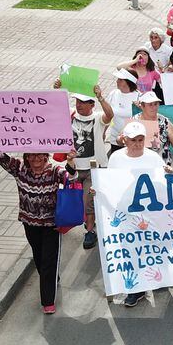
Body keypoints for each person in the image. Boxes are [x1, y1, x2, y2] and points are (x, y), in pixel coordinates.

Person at [0, 131, 73, 314]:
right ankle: (52, 278)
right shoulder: (19, 168)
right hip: (29, 223)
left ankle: (48, 301)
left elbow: (73, 180)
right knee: (39, 257)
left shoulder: (55, 171)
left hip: (51, 225)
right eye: (32, 155)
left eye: (40, 155)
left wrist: (71, 162)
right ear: (26, 156)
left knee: (48, 261)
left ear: (46, 156)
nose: (36, 158)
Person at [107, 121, 172, 307]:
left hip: (151, 214)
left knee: (154, 246)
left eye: (140, 139)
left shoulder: (153, 158)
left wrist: (170, 175)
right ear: (125, 140)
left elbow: (163, 184)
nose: (137, 143)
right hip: (126, 214)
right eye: (133, 140)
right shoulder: (116, 158)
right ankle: (136, 289)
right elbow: (110, 183)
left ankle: (159, 275)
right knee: (131, 250)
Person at [50, 83, 113, 249]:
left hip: (94, 168)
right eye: (77, 101)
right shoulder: (70, 114)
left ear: (92, 104)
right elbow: (53, 107)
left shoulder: (98, 117)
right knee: (73, 199)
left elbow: (110, 115)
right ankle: (83, 222)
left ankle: (90, 231)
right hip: (73, 167)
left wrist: (100, 96)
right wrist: (57, 89)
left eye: (83, 102)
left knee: (88, 201)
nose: (79, 104)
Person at [132, 91, 173, 163]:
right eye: (150, 104)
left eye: (156, 104)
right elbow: (119, 140)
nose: (154, 107)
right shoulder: (134, 121)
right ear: (142, 106)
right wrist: (121, 138)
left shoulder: (165, 122)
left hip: (162, 166)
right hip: (139, 164)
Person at [105, 68, 140, 154]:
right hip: (114, 139)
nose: (117, 81)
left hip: (132, 141)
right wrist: (104, 131)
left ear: (129, 82)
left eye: (120, 80)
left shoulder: (139, 97)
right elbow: (107, 114)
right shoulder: (113, 93)